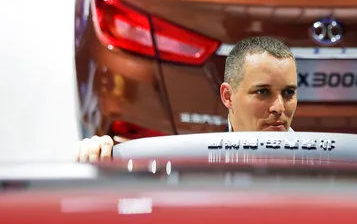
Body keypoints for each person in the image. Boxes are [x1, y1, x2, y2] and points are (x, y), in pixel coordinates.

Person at [75, 36, 298, 162]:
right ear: (228, 96)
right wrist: (96, 153)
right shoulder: (190, 166)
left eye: (288, 93)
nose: (279, 108)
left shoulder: (328, 172)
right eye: (262, 92)